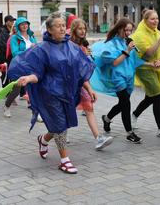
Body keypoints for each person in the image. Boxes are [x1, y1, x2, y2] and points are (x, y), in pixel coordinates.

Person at [8, 12, 95, 174]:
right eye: (58, 26)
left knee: (60, 124)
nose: (62, 28)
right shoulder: (42, 49)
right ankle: (64, 160)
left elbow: (80, 72)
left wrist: (89, 89)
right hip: (49, 93)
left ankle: (43, 139)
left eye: (63, 25)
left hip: (67, 92)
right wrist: (28, 78)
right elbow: (37, 73)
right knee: (60, 125)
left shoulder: (72, 47)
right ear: (49, 29)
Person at [91, 18, 153, 143]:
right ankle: (129, 133)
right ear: (119, 29)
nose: (129, 33)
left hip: (129, 77)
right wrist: (127, 50)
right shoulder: (111, 44)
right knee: (126, 104)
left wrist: (150, 64)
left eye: (130, 30)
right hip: (118, 78)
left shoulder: (128, 42)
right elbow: (114, 63)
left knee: (122, 103)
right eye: (126, 30)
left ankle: (107, 118)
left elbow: (134, 61)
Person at [70, 18, 113, 150]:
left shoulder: (83, 46)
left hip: (80, 83)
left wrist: (89, 88)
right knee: (64, 111)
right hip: (67, 83)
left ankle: (98, 138)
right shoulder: (68, 45)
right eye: (80, 29)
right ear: (74, 30)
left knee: (89, 107)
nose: (83, 31)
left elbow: (83, 71)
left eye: (84, 29)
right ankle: (52, 135)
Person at [130, 10, 160, 139]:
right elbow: (148, 53)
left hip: (156, 67)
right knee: (158, 94)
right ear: (145, 20)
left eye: (157, 19)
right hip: (143, 67)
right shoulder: (139, 35)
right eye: (152, 19)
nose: (156, 21)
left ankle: (135, 115)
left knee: (151, 97)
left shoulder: (158, 33)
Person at [4, 17, 37, 118]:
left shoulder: (31, 37)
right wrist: (29, 49)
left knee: (33, 89)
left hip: (31, 67)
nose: (24, 26)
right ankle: (7, 106)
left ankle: (36, 112)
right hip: (18, 67)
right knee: (16, 91)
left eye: (26, 23)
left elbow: (37, 49)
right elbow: (15, 53)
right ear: (18, 26)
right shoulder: (14, 38)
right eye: (22, 24)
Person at [0, 15, 16, 87]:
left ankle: (11, 91)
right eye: (11, 21)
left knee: (11, 73)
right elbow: (3, 45)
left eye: (13, 21)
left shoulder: (12, 31)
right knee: (5, 74)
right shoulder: (3, 32)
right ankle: (6, 91)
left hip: (11, 56)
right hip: (4, 57)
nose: (12, 22)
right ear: (6, 22)